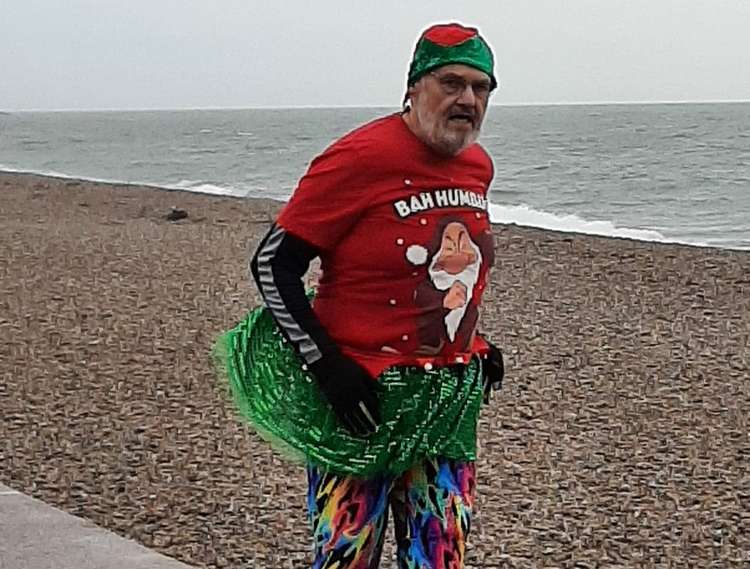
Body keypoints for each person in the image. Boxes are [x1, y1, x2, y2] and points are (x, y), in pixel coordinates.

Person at [217, 22, 504, 569]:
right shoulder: (358, 157)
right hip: (361, 404)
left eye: (481, 87)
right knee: (347, 559)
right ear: (414, 87)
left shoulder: (476, 166)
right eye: (451, 82)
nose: (467, 99)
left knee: (439, 557)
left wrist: (475, 342)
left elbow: (450, 267)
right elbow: (274, 264)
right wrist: (329, 369)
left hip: (446, 403)